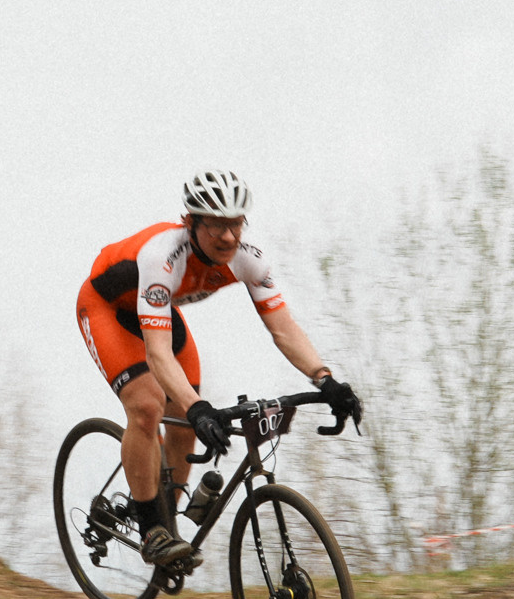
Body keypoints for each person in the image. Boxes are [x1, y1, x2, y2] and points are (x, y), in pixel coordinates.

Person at [75, 169, 361, 569]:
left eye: (236, 224)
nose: (228, 237)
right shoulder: (163, 257)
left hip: (158, 313)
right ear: (190, 223)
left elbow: (283, 328)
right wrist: (197, 406)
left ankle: (167, 523)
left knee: (185, 421)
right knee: (148, 407)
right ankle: (151, 530)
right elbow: (158, 355)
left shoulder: (249, 260)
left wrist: (325, 378)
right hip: (107, 309)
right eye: (217, 226)